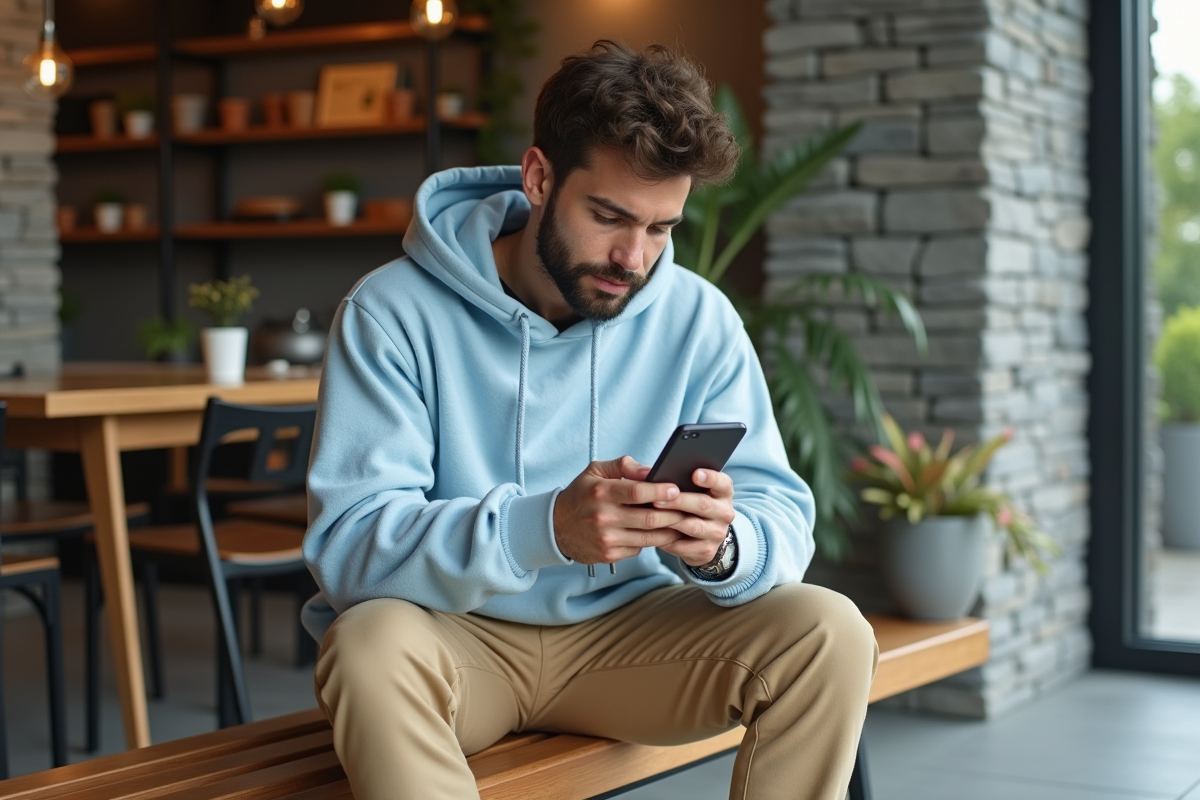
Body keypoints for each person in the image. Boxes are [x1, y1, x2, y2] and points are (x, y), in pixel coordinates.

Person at [302, 40, 878, 800]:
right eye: (608, 216)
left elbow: (780, 512)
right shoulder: (391, 312)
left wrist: (722, 546)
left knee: (830, 632)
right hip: (455, 637)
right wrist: (544, 529)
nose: (633, 258)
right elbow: (349, 546)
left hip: (631, 644)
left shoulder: (698, 319)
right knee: (366, 644)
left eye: (661, 228)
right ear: (539, 177)